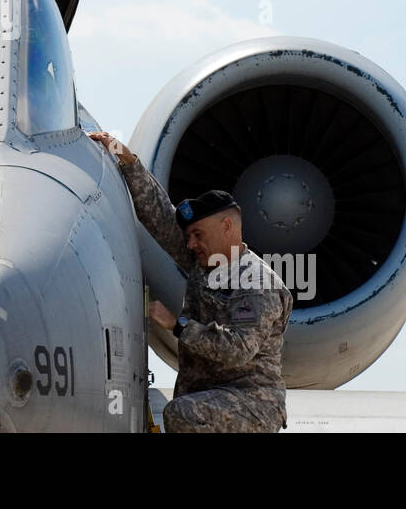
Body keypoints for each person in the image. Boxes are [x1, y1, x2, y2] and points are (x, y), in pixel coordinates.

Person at [87, 130, 293, 433]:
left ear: (226, 227)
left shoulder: (256, 283)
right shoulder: (206, 263)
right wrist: (125, 158)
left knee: (182, 413)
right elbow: (159, 215)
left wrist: (177, 325)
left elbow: (237, 350)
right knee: (185, 410)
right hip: (208, 397)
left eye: (199, 235)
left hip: (251, 403)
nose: (191, 244)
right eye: (189, 237)